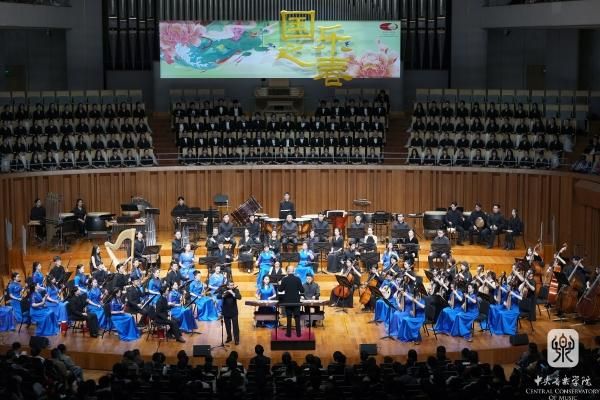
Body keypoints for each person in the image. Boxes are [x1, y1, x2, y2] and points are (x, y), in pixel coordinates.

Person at [278, 266, 305, 337]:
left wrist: (280, 283)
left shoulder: (284, 279)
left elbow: (280, 290)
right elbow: (302, 290)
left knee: (289, 317)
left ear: (287, 271)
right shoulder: (298, 279)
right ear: (294, 271)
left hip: (288, 302)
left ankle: (288, 333)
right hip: (296, 301)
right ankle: (298, 334)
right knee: (297, 317)